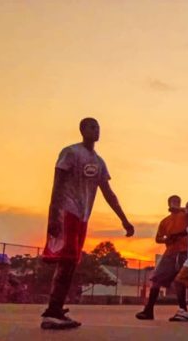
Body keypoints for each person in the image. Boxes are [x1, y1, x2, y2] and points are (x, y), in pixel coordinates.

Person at [41, 117, 134, 330]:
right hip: (67, 212)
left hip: (83, 216)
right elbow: (57, 184)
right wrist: (53, 215)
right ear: (82, 130)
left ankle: (56, 308)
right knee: (66, 261)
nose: (96, 130)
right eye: (92, 127)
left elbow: (109, 193)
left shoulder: (99, 162)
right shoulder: (70, 153)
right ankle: (52, 311)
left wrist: (124, 220)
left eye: (98, 127)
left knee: (71, 262)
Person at [136, 195, 188, 322]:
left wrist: (182, 210)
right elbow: (158, 238)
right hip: (170, 253)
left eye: (177, 201)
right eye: (172, 202)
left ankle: (186, 308)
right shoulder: (165, 221)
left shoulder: (186, 215)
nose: (175, 204)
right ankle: (148, 310)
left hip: (185, 252)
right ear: (168, 203)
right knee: (156, 279)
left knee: (183, 281)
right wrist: (167, 239)